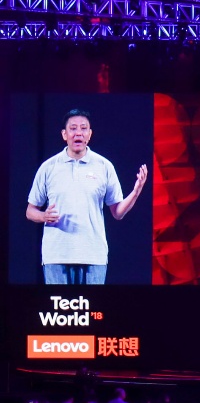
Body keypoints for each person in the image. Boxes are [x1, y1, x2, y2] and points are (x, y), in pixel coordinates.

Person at [25, 108, 148, 285]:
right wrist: (44, 216)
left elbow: (118, 212)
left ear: (89, 134)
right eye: (73, 128)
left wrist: (135, 192)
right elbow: (30, 211)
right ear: (64, 134)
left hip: (93, 255)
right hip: (56, 255)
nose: (78, 133)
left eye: (83, 128)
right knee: (58, 302)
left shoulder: (104, 166)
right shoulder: (48, 167)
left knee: (92, 303)